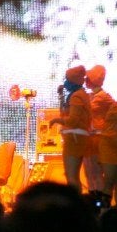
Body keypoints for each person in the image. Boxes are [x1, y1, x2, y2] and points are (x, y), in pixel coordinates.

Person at [49, 65, 92, 193]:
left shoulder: (77, 96)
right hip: (77, 138)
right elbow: (66, 113)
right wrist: (61, 97)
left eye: (67, 79)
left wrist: (56, 120)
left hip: (74, 139)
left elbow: (73, 120)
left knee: (71, 176)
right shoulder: (78, 95)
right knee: (72, 175)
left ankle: (74, 205)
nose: (65, 82)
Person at [83, 65, 114, 194]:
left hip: (97, 139)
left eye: (88, 78)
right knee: (90, 173)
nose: (85, 81)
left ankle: (100, 204)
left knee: (95, 172)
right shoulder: (91, 96)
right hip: (89, 138)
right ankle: (94, 202)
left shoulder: (102, 97)